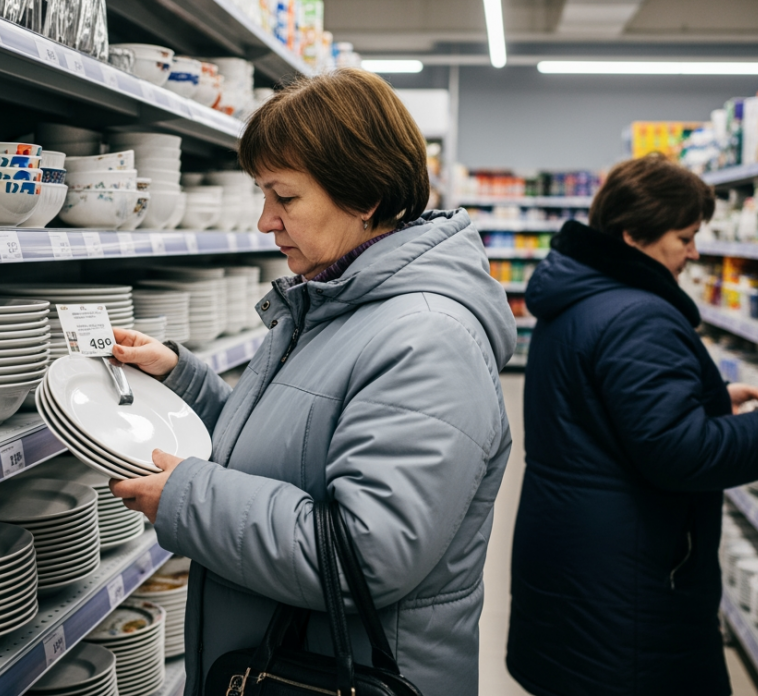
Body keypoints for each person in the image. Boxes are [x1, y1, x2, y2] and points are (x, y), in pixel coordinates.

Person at [106, 68, 516, 696]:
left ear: (365, 196)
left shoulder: (428, 340)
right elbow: (296, 452)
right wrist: (185, 382)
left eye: (285, 197)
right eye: (261, 194)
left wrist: (187, 500)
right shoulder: (329, 302)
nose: (265, 220)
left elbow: (366, 556)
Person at [505, 154, 758, 695]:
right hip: (630, 581)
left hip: (575, 558)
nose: (694, 252)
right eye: (684, 237)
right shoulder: (637, 315)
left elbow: (604, 412)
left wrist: (709, 399)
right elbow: (680, 452)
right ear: (633, 236)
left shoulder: (579, 297)